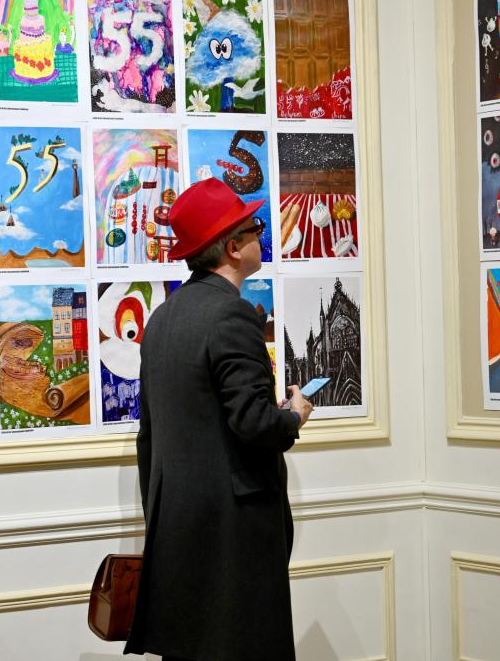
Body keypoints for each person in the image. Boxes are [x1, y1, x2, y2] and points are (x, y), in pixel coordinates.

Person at [124, 178, 314, 661]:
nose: (261, 237)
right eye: (256, 229)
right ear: (232, 247)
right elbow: (253, 423)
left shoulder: (162, 318)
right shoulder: (232, 316)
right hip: (233, 536)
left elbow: (151, 435)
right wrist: (292, 416)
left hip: (178, 527)